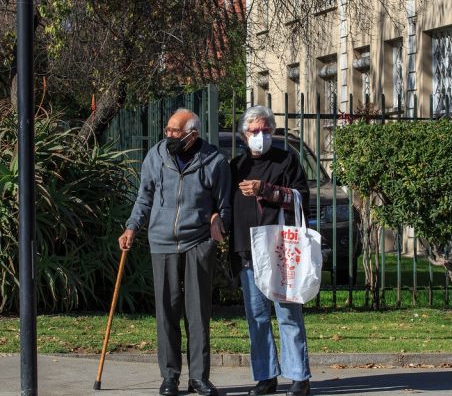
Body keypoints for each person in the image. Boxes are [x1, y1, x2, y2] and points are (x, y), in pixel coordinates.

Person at [118, 108, 231, 396]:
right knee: (166, 312)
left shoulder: (215, 161)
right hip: (162, 241)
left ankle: (199, 378)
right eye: (167, 130)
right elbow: (144, 196)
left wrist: (219, 221)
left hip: (198, 241)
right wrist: (132, 227)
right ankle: (170, 377)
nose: (169, 135)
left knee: (197, 313)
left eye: (175, 132)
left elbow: (224, 204)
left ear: (192, 134)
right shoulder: (156, 156)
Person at [213, 105, 311, 396]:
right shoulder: (236, 166)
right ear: (244, 136)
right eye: (254, 131)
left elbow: (300, 197)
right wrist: (217, 220)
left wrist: (265, 190)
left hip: (280, 249)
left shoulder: (287, 160)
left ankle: (299, 377)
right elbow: (225, 203)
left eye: (266, 130)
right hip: (247, 250)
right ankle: (266, 376)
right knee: (256, 316)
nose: (261, 135)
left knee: (287, 314)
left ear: (273, 131)